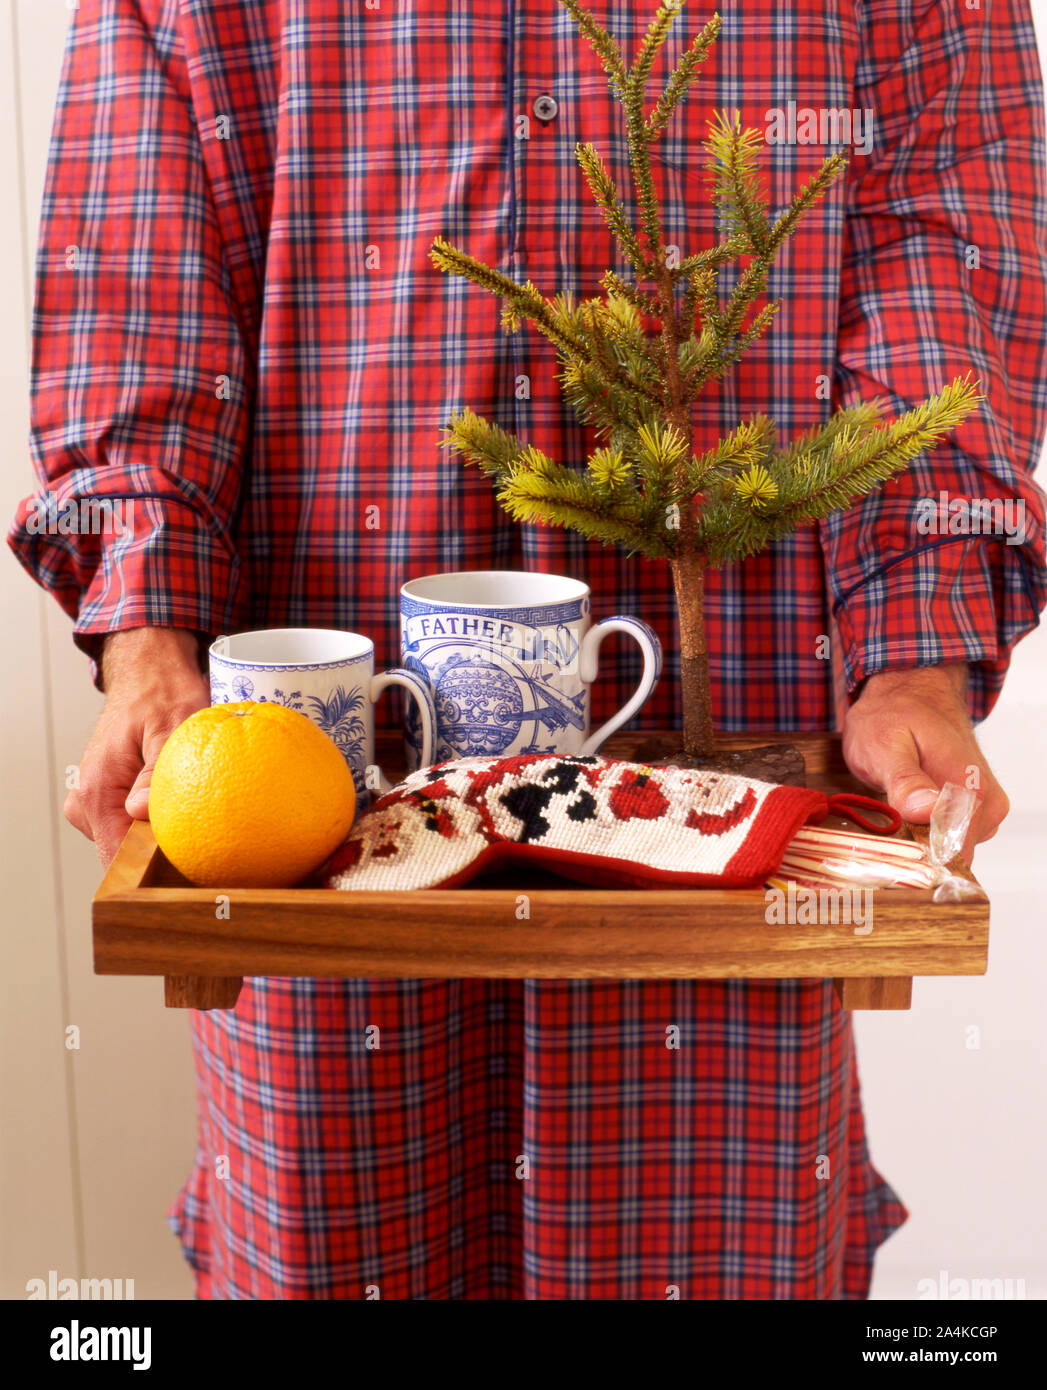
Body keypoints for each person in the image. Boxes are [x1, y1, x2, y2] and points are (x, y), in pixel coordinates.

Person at [9, 0, 1044, 1299]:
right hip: (321, 846)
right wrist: (148, 646)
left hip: (719, 890)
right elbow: (138, 278)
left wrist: (914, 660)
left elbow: (935, 276)